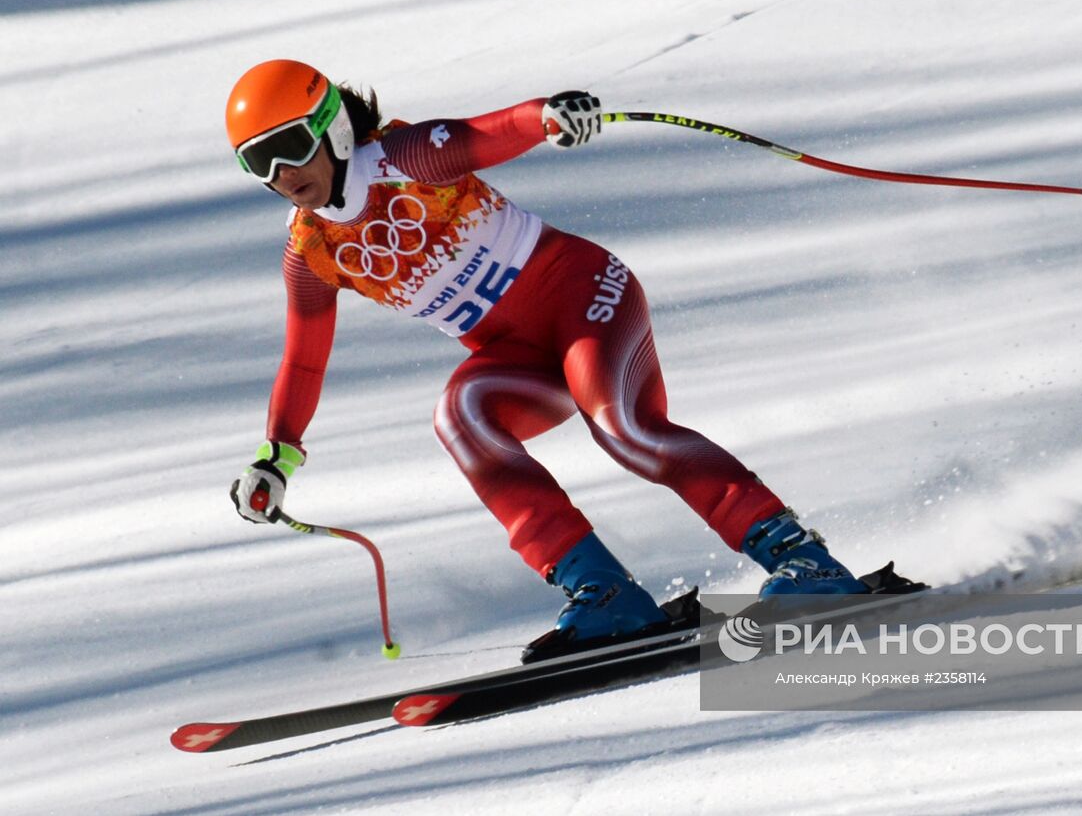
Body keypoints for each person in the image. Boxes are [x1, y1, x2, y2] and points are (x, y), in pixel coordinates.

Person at [225, 59, 869, 660]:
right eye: (260, 161)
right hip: (515, 356)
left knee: (625, 429)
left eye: (292, 146)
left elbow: (487, 134)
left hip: (583, 296)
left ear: (332, 127)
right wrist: (277, 455)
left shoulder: (400, 157)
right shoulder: (311, 251)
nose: (282, 173)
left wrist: (548, 118)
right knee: (462, 415)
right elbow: (304, 362)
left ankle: (804, 563)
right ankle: (607, 596)